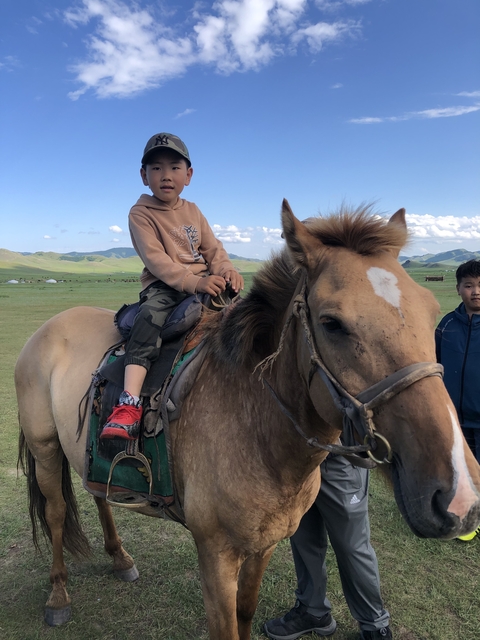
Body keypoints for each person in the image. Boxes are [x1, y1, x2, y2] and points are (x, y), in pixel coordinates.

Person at [100, 132, 243, 440]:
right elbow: (156, 260)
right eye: (156, 168)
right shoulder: (141, 213)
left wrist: (227, 270)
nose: (166, 175)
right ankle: (129, 403)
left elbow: (213, 249)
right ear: (143, 176)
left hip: (204, 281)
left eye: (175, 167)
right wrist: (194, 281)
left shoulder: (193, 210)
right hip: (165, 286)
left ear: (188, 175)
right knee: (149, 319)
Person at [264, 454, 392, 640]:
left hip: (341, 460)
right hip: (303, 458)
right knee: (304, 538)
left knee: (352, 547)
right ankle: (313, 611)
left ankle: (375, 627)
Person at [435, 259, 480, 541]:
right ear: (458, 289)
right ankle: (466, 521)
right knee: (460, 469)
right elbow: (434, 364)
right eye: (469, 285)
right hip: (454, 417)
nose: (476, 291)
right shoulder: (447, 325)